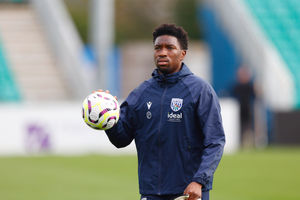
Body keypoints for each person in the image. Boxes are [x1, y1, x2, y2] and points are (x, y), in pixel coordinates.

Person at [104, 24, 225, 200]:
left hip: (188, 191)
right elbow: (120, 139)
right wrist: (108, 117)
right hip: (151, 192)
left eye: (170, 47)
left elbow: (215, 141)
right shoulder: (141, 93)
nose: (162, 52)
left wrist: (199, 181)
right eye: (158, 48)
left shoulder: (199, 90)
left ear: (183, 54)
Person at [232, 66, 256, 148]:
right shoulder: (236, 86)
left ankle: (249, 144)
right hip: (238, 110)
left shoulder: (250, 86)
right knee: (239, 127)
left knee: (248, 127)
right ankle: (240, 143)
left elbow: (255, 96)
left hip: (248, 109)